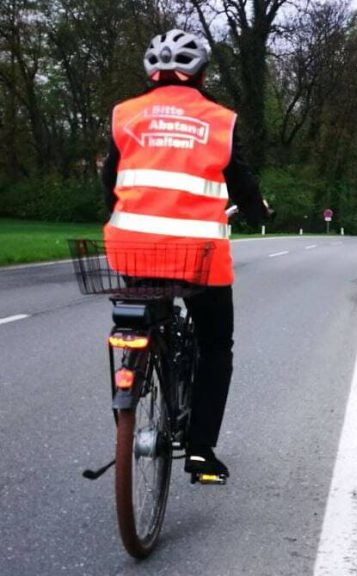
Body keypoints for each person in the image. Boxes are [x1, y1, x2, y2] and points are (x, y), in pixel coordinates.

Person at [101, 29, 272, 479]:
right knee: (216, 346)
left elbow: (108, 183)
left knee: (143, 315)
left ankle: (136, 381)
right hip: (199, 260)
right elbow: (244, 185)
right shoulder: (218, 120)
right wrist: (258, 212)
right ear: (201, 73)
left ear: (151, 74)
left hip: (131, 252)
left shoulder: (125, 115)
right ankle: (200, 451)